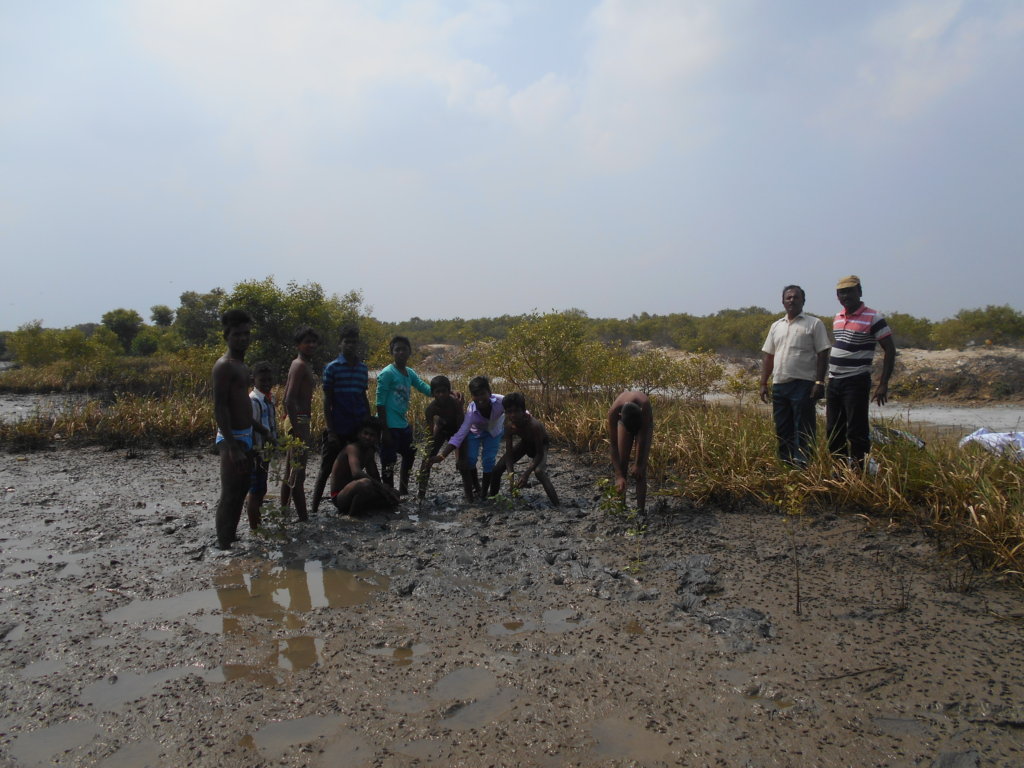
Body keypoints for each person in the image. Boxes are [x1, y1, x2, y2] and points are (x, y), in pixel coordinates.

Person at [826, 275, 896, 470]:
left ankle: (859, 471)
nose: (845, 296)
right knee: (833, 429)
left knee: (856, 430)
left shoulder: (874, 317)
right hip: (834, 381)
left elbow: (890, 350)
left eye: (849, 291)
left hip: (855, 381)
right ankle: (840, 471)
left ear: (860, 292)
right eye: (841, 293)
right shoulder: (838, 317)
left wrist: (883, 384)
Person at [759, 285, 831, 468]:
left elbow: (823, 353)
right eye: (788, 297)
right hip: (780, 384)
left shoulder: (814, 323)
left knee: (804, 427)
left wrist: (819, 382)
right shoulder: (776, 326)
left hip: (804, 384)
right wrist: (763, 383)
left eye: (796, 297)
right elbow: (768, 355)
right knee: (783, 427)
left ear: (803, 300)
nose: (792, 300)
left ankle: (805, 466)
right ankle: (786, 464)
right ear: (783, 301)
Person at [311, 325, 370, 513]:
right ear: (340, 344)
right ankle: (313, 509)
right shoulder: (332, 368)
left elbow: (363, 397)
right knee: (325, 468)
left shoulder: (362, 369)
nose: (350, 345)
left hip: (357, 427)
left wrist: (368, 423)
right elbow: (327, 401)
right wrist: (331, 431)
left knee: (356, 466)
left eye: (354, 342)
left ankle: (348, 500)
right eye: (347, 342)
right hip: (338, 426)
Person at [212, 309, 256, 550]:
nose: (243, 339)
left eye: (246, 334)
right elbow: (220, 407)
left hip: (245, 435)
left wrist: (260, 429)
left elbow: (242, 402)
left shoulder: (241, 364)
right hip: (233, 438)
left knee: (241, 490)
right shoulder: (224, 366)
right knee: (229, 493)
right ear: (226, 336)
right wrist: (232, 446)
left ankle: (231, 536)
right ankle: (222, 544)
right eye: (237, 334)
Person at [424, 376, 504, 501]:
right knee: (469, 459)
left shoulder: (501, 401)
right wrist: (440, 455)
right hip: (464, 430)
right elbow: (458, 434)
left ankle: (480, 494)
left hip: (490, 432)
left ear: (489, 392)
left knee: (482, 461)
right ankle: (476, 488)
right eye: (476, 395)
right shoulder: (470, 412)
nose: (480, 398)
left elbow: (518, 409)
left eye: (482, 394)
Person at [376, 336, 433, 495]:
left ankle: (403, 490)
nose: (401, 352)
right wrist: (384, 430)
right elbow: (379, 403)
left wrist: (446, 392)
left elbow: (424, 388)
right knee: (389, 462)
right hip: (389, 425)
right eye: (397, 350)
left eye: (404, 349)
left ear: (409, 352)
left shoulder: (409, 373)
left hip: (402, 424)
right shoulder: (387, 373)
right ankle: (389, 494)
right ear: (392, 352)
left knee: (409, 454)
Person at [279, 326, 320, 521]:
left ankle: (284, 513)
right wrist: (296, 428)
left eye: (314, 342)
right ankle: (303, 517)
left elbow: (285, 398)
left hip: (298, 420)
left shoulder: (301, 364)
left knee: (291, 470)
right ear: (298, 345)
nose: (311, 345)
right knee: (298, 473)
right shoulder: (300, 365)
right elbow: (288, 399)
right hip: (299, 420)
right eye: (307, 342)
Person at [491, 392, 559, 506]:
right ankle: (492, 500)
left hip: (541, 446)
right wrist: (511, 476)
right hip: (525, 443)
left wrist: (526, 474)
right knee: (497, 469)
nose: (513, 415)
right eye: (509, 412)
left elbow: (539, 454)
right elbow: (509, 454)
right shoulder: (509, 425)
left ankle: (557, 505)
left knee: (539, 472)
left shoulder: (534, 426)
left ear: (523, 411)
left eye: (516, 411)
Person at [330, 417, 400, 515]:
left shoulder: (369, 451)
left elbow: (374, 475)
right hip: (340, 496)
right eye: (365, 433)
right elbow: (356, 473)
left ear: (377, 438)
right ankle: (353, 515)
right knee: (365, 484)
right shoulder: (352, 448)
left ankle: (365, 509)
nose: (368, 437)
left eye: (372, 435)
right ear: (359, 434)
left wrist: (386, 491)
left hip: (356, 492)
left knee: (395, 493)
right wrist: (381, 487)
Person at [417, 375, 469, 499]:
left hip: (457, 429)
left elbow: (461, 430)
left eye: (444, 391)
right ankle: (421, 496)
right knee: (426, 460)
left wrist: (446, 454)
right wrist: (428, 450)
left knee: (463, 463)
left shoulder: (455, 403)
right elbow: (429, 433)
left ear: (449, 391)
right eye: (437, 392)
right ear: (433, 393)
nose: (441, 395)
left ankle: (470, 496)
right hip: (441, 428)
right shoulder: (431, 409)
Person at [607, 391, 654, 515]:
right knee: (622, 464)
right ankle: (621, 507)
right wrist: (618, 476)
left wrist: (638, 464)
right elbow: (613, 445)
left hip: (643, 422)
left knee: (640, 470)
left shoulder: (644, 407)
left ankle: (640, 512)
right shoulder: (613, 412)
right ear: (620, 415)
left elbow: (642, 438)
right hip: (625, 420)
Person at [244, 361, 278, 530]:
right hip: (257, 451)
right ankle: (255, 527)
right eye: (262, 380)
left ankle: (257, 525)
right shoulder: (254, 400)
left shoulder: (269, 399)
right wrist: (254, 452)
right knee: (256, 490)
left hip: (265, 452)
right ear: (253, 380)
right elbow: (251, 426)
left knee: (261, 488)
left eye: (269, 380)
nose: (266, 383)